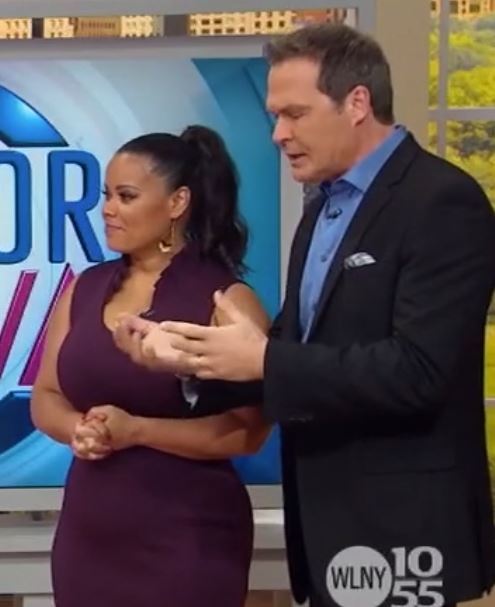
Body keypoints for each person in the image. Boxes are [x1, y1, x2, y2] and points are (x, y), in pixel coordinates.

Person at [126, 23, 495, 607]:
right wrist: (193, 362)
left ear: (357, 103)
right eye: (275, 116)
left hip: (403, 534)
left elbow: (420, 372)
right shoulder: (321, 210)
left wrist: (264, 358)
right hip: (328, 534)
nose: (279, 134)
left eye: (294, 114)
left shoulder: (441, 202)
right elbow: (297, 354)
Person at [30, 124, 273, 607]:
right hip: (89, 536)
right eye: (106, 195)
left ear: (177, 202)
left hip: (187, 538)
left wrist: (137, 431)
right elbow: (46, 395)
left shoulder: (226, 300)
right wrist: (80, 429)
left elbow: (248, 432)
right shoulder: (84, 288)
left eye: (126, 196)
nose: (107, 209)